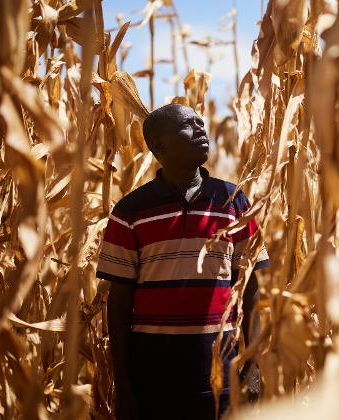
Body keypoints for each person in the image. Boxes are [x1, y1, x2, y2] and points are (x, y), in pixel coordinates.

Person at [96, 104, 269, 420]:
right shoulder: (129, 212)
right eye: (188, 126)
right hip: (153, 383)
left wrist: (253, 364)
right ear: (159, 147)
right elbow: (118, 303)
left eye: (201, 122)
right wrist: (123, 386)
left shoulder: (236, 202)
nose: (201, 129)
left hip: (223, 380)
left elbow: (252, 290)